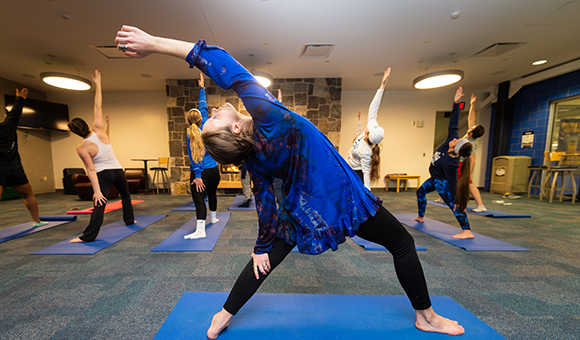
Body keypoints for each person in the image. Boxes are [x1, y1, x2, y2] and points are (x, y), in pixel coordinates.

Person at [115, 25, 465, 338]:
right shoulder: (265, 115)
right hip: (341, 198)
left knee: (267, 256)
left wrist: (260, 246)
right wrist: (155, 43)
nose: (213, 111)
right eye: (214, 119)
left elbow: (267, 208)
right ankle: (427, 317)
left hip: (306, 208)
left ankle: (223, 314)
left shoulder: (254, 160)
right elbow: (224, 65)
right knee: (402, 243)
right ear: (236, 128)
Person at [67, 70, 135, 243]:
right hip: (118, 170)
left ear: (76, 133)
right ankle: (129, 220)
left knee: (100, 203)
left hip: (103, 173)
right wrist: (98, 84)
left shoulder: (81, 147)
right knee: (125, 196)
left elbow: (90, 169)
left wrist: (96, 191)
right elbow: (98, 106)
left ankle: (88, 237)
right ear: (88, 125)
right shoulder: (99, 129)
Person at [413, 87, 474, 239]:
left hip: (442, 183)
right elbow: (453, 123)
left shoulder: (451, 163)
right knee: (420, 192)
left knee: (454, 205)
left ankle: (467, 231)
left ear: (456, 149)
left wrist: (458, 199)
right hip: (434, 179)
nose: (454, 138)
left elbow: (453, 182)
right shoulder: (450, 142)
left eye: (456, 141)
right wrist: (456, 103)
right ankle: (421, 216)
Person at [0, 88, 49, 228]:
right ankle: (37, 221)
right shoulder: (8, 126)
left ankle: (37, 221)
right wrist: (20, 97)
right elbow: (16, 111)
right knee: (28, 195)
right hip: (15, 168)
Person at [184, 73, 220, 239]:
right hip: (214, 172)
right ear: (200, 119)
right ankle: (213, 218)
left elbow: (195, 158)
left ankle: (200, 230)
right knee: (212, 194)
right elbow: (203, 105)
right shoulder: (206, 125)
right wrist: (202, 87)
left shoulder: (191, 134)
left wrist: (197, 176)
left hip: (202, 173)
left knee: (199, 200)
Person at [347, 68, 389, 191]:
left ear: (368, 136)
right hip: (349, 166)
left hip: (356, 172)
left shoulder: (366, 152)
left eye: (366, 131)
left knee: (355, 195)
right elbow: (374, 105)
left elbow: (366, 175)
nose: (366, 129)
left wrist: (368, 195)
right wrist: (383, 85)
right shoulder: (371, 125)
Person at [462, 94, 486, 212]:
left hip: (463, 165)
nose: (471, 126)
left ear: (472, 134)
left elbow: (473, 159)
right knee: (447, 178)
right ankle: (443, 197)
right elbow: (471, 118)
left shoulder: (472, 144)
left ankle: (480, 205)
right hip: (459, 163)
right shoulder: (469, 135)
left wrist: (468, 174)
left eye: (472, 128)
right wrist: (472, 104)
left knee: (469, 183)